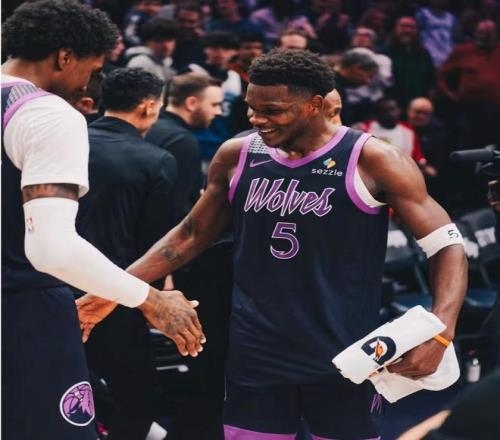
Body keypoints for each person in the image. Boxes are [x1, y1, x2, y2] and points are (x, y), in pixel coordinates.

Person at [79, 49, 467, 439]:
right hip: (255, 355)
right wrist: (113, 290)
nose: (256, 119)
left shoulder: (373, 159)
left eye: (272, 110)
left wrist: (440, 330)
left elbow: (446, 244)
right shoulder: (238, 155)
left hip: (345, 354)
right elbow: (190, 234)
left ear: (314, 105)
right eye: (251, 108)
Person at [1, 2, 204, 439]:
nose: (89, 85)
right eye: (92, 69)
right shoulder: (46, 113)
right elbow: (51, 249)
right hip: (21, 309)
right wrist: (149, 298)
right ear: (64, 57)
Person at [78, 68, 178, 440]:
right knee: (136, 397)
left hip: (50, 283)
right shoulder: (156, 159)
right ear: (149, 107)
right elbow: (157, 244)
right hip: (118, 289)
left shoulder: (68, 142)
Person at [146, 73, 223, 222]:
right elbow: (175, 207)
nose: (219, 112)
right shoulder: (182, 141)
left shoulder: (149, 127)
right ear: (191, 103)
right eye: (214, 105)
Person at [383, 16, 436, 111]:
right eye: (403, 26)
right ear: (395, 28)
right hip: (391, 106)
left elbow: (431, 80)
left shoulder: (424, 54)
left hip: (417, 106)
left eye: (412, 27)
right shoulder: (385, 53)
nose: (408, 30)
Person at [125, 17, 179, 83]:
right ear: (146, 42)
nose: (166, 45)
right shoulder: (140, 62)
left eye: (169, 40)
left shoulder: (166, 61)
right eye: (159, 41)